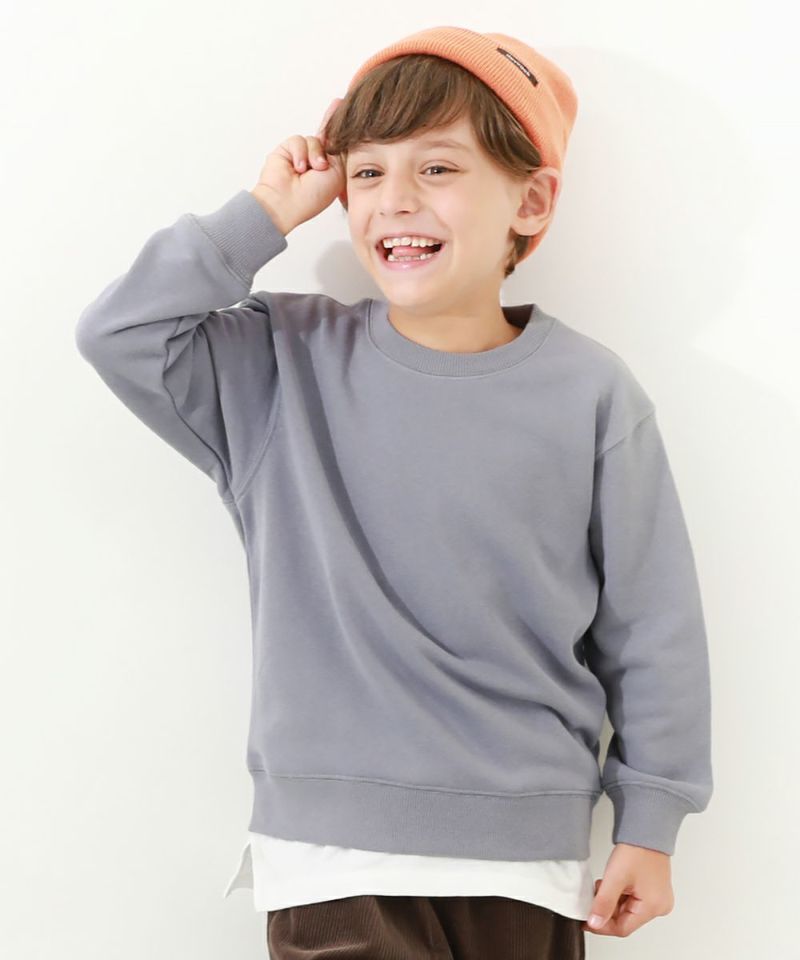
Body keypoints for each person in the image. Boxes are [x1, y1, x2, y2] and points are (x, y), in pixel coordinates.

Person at [74, 25, 713, 957]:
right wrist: (265, 213)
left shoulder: (591, 393)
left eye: (438, 168)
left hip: (525, 864)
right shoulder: (279, 364)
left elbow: (654, 628)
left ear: (532, 199)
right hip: (335, 864)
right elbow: (120, 333)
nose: (395, 200)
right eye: (367, 172)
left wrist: (651, 822)